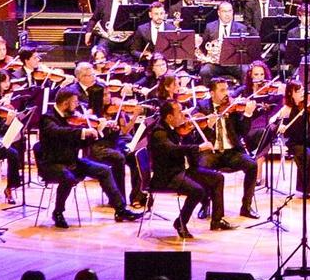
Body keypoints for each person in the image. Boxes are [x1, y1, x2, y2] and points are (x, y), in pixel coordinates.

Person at [36, 85, 134, 228]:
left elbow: (80, 144)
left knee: (104, 170)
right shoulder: (48, 118)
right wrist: (83, 132)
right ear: (65, 103)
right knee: (68, 177)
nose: (77, 106)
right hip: (51, 164)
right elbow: (58, 132)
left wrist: (98, 131)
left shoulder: (72, 119)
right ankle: (58, 212)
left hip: (71, 161)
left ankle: (121, 209)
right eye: (75, 102)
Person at [147, 98, 227, 237]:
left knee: (218, 178)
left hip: (181, 170)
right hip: (168, 176)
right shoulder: (159, 133)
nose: (184, 115)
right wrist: (199, 148)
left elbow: (181, 146)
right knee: (197, 191)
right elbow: (174, 150)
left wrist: (186, 135)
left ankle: (217, 220)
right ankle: (180, 223)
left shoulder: (173, 128)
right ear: (170, 117)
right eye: (179, 112)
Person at [203, 78, 260, 218]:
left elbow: (242, 132)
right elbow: (194, 136)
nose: (226, 93)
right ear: (212, 93)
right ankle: (205, 205)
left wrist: (247, 114)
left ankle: (246, 207)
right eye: (222, 90)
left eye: (227, 89)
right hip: (211, 152)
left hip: (232, 151)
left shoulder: (232, 107)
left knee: (252, 165)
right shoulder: (202, 107)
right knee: (202, 167)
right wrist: (209, 126)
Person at [275, 81, 310, 198]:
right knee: (307, 155)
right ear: (290, 93)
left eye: (302, 90)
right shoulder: (287, 108)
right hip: (295, 142)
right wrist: (280, 126)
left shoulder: (309, 106)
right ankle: (307, 189)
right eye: (298, 91)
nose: (302, 93)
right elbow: (272, 121)